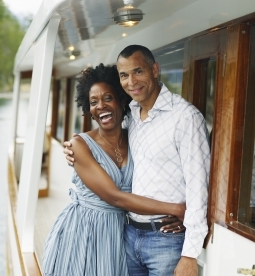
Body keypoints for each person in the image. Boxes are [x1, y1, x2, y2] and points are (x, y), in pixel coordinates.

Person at [64, 45, 210, 276]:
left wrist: (190, 254)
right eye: (124, 75)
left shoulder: (185, 118)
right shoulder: (132, 117)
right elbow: (107, 135)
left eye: (138, 71)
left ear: (154, 69)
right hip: (128, 236)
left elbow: (199, 189)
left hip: (166, 240)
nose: (131, 81)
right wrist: (76, 144)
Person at [42, 63, 186, 276]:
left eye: (107, 98)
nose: (100, 106)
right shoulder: (79, 145)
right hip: (83, 232)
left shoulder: (136, 138)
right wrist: (177, 209)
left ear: (121, 100)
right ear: (88, 109)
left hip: (118, 234)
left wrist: (177, 212)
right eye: (93, 102)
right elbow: (115, 197)